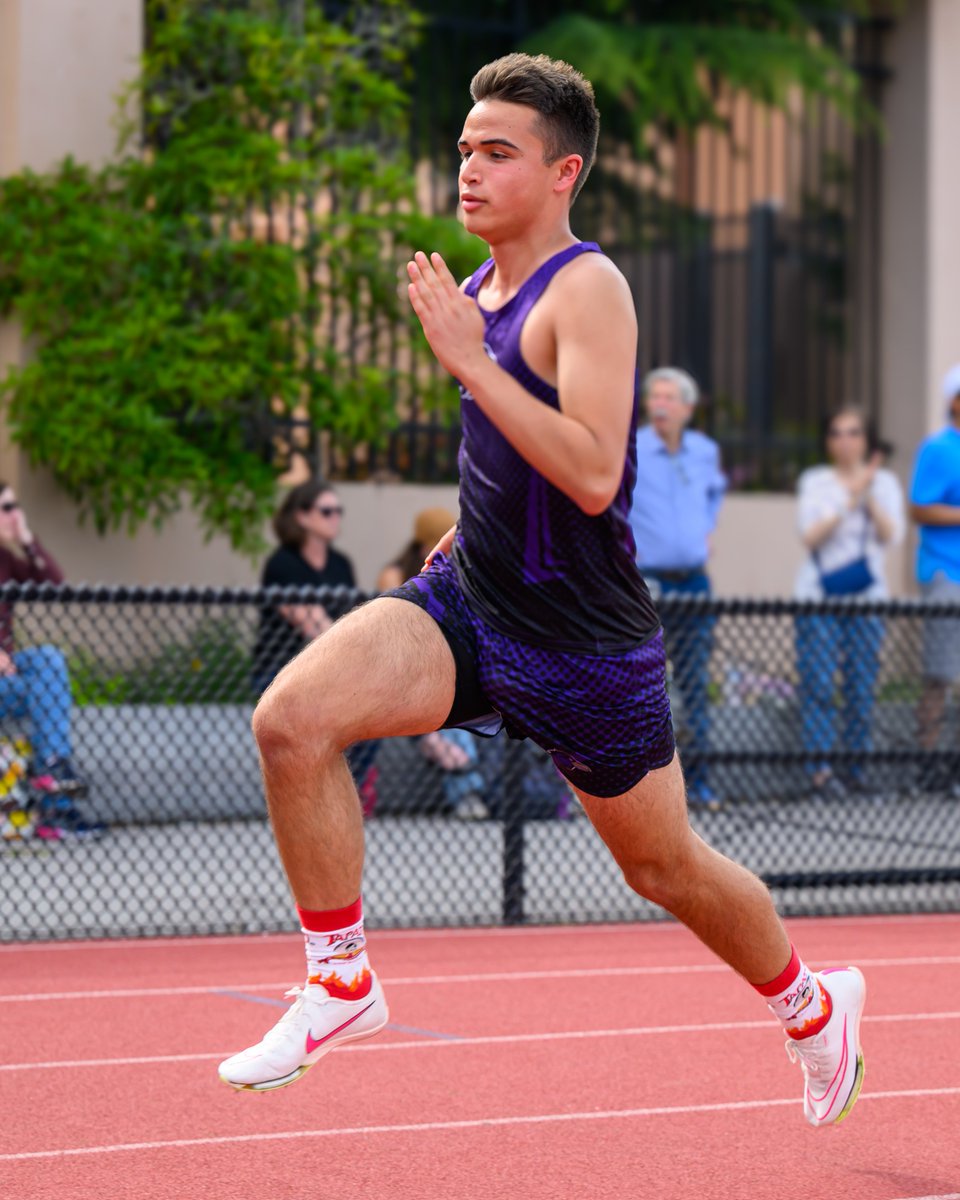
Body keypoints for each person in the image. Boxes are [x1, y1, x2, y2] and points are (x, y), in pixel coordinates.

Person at [219, 53, 866, 1129]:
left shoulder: (590, 290)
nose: (468, 169)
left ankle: (810, 1010)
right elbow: (500, 470)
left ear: (563, 172)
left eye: (498, 152)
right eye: (465, 148)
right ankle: (342, 982)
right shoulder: (479, 290)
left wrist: (474, 364)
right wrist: (451, 547)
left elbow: (594, 469)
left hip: (584, 648)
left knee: (664, 870)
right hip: (472, 604)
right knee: (292, 721)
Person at [793, 406, 905, 797]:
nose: (846, 441)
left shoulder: (885, 482)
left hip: (867, 599)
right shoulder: (816, 481)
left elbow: (892, 535)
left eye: (854, 433)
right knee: (819, 683)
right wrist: (849, 496)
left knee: (861, 684)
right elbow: (811, 536)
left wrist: (869, 490)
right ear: (828, 441)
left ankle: (856, 770)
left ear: (866, 439)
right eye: (838, 433)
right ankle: (820, 773)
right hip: (818, 597)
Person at [628, 367, 726, 810]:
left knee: (694, 680)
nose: (661, 404)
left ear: (688, 408)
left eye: (671, 397)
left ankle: (699, 784)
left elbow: (713, 497)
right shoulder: (632, 447)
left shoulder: (704, 451)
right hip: (648, 583)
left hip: (695, 582)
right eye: (655, 397)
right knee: (647, 684)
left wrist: (703, 531)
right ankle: (645, 789)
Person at [253, 479, 377, 788]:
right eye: (326, 511)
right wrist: (358, 659)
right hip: (285, 668)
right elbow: (312, 624)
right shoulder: (282, 564)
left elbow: (354, 617)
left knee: (378, 709)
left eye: (338, 511)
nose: (335, 518)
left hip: (338, 666)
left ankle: (348, 792)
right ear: (302, 516)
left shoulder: (340, 564)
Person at [0, 481, 101, 838]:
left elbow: (54, 585)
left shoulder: (7, 560)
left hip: (9, 680)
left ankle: (54, 772)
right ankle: (57, 807)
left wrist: (26, 538)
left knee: (47, 659)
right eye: (6, 508)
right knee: (46, 690)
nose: (14, 515)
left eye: (15, 507)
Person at [378, 507, 489, 820]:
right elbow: (393, 635)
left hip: (441, 669)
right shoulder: (396, 575)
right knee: (452, 722)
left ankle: (468, 785)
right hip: (400, 670)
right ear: (425, 545)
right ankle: (466, 789)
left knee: (462, 709)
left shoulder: (459, 575)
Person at [909, 363, 960, 793]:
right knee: (941, 673)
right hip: (947, 571)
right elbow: (919, 507)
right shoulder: (939, 449)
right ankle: (927, 765)